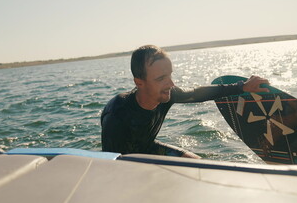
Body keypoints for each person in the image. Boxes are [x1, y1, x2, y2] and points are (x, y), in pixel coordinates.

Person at [101, 45, 269, 159]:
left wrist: (242, 87)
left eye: (170, 75)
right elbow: (112, 163)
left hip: (149, 147)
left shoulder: (166, 94)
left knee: (199, 165)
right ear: (139, 82)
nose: (171, 84)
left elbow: (197, 94)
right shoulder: (117, 115)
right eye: (161, 78)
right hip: (124, 161)